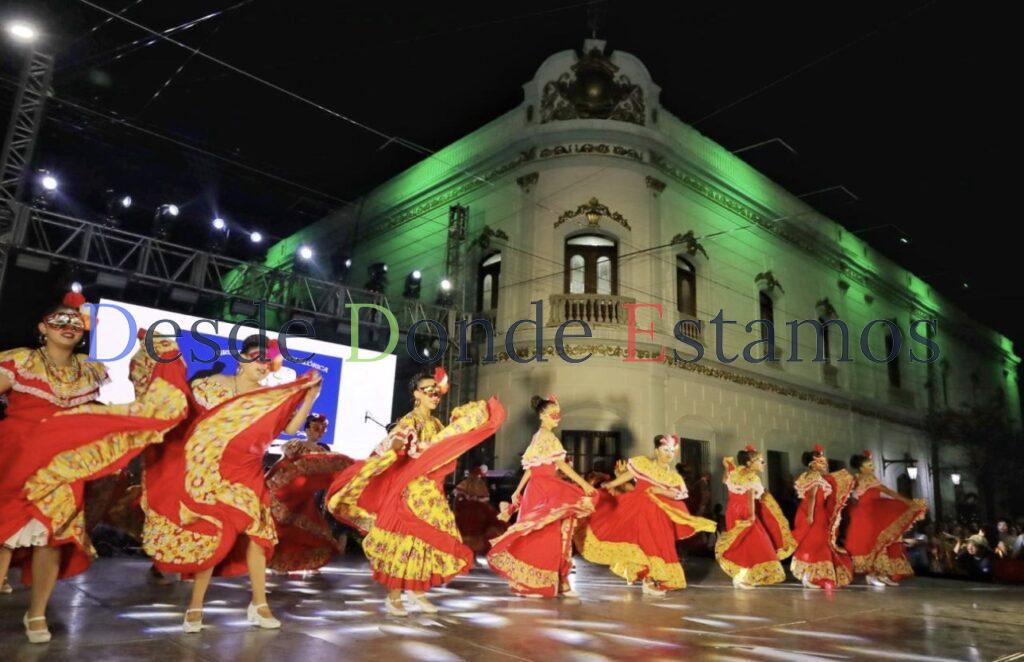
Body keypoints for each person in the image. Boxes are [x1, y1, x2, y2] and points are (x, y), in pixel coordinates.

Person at [0, 297, 190, 643]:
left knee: (51, 538)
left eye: (76, 322)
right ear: (42, 329)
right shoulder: (20, 360)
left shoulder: (89, 369)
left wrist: (152, 343)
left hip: (65, 464)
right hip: (15, 460)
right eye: (60, 321)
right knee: (4, 533)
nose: (70, 326)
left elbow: (135, 388)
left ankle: (37, 612)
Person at [141, 335, 322, 633]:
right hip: (211, 472)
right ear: (241, 359)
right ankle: (196, 605)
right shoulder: (210, 385)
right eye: (258, 358)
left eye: (270, 362)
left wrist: (311, 397)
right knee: (214, 532)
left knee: (257, 534)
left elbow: (289, 429)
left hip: (248, 472)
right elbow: (185, 416)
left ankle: (260, 604)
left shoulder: (270, 397)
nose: (264, 366)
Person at [331, 368, 506, 616]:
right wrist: (398, 445)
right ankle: (394, 597)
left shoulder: (436, 423)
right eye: (429, 391)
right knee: (404, 541)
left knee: (429, 539)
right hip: (410, 492)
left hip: (430, 492)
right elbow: (396, 442)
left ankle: (416, 590)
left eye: (437, 391)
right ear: (416, 394)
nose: (435, 395)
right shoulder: (409, 420)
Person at [577, 435, 716, 594]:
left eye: (672, 451)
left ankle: (655, 579)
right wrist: (612, 483)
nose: (669, 454)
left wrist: (660, 490)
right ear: (657, 451)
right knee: (641, 543)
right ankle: (648, 579)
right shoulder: (644, 463)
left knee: (660, 545)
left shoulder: (673, 477)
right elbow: (630, 474)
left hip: (660, 516)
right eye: (665, 450)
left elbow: (679, 494)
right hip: (638, 510)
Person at [487, 395, 596, 598]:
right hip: (543, 489)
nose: (558, 417)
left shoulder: (538, 437)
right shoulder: (547, 437)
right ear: (543, 415)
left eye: (558, 413)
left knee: (545, 533)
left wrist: (518, 491)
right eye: (554, 413)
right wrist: (583, 483)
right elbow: (558, 466)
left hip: (538, 489)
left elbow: (530, 469)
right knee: (547, 534)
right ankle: (543, 584)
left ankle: (553, 582)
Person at [265, 415, 353, 574]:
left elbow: (329, 469)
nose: (320, 432)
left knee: (311, 531)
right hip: (287, 495)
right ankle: (279, 563)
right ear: (306, 429)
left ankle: (308, 564)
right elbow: (284, 464)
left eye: (323, 429)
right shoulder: (295, 445)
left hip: (304, 498)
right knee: (282, 528)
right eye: (316, 428)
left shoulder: (324, 449)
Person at [714, 445, 796, 588]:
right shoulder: (752, 477)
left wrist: (727, 468)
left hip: (733, 511)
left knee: (742, 543)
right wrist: (752, 516)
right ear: (749, 463)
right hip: (746, 512)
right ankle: (742, 576)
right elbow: (750, 496)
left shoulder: (735, 473)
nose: (763, 464)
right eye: (760, 461)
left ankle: (745, 575)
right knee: (758, 542)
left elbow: (724, 481)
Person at [845, 450, 927, 586]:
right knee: (876, 543)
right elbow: (889, 491)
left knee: (877, 543)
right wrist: (908, 502)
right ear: (861, 468)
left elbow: (853, 496)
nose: (873, 467)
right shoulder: (868, 479)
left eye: (872, 465)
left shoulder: (857, 479)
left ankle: (879, 573)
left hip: (867, 513)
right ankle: (873, 574)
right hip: (869, 515)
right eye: (869, 465)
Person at [789, 445, 854, 589]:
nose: (825, 464)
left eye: (824, 462)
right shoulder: (816, 477)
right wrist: (810, 516)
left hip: (807, 511)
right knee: (818, 543)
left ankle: (809, 575)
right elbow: (812, 496)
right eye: (821, 462)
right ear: (812, 464)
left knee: (810, 543)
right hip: (815, 513)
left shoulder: (806, 476)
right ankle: (812, 576)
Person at [453, 465, 506, 554]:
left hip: (469, 512)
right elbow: (484, 499)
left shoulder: (469, 483)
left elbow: (457, 496)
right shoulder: (478, 483)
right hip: (474, 513)